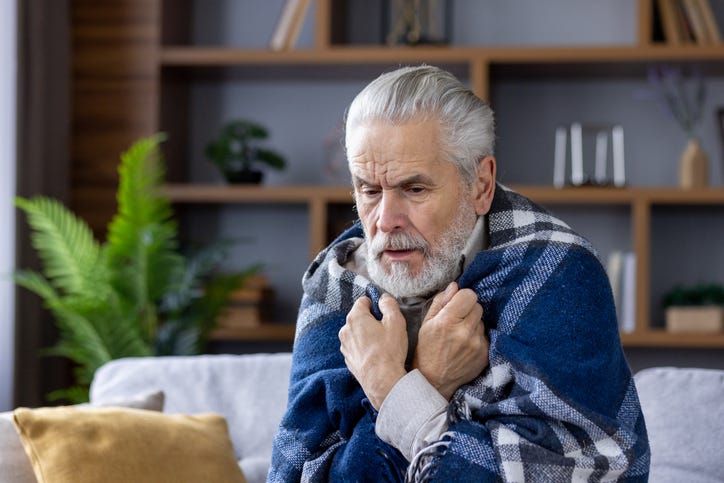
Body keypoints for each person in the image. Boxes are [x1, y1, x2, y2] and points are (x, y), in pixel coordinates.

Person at [268, 65, 650, 482]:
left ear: (481, 185)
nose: (385, 220)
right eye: (369, 191)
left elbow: (589, 472)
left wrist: (392, 391)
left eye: (414, 190)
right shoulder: (336, 283)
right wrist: (425, 379)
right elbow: (297, 472)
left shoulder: (558, 273)